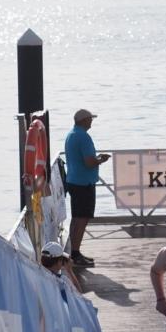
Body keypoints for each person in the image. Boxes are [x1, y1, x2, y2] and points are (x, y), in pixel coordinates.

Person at [63, 109, 110, 268]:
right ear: (83, 120)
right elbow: (89, 162)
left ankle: (72, 252)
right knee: (82, 219)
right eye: (90, 119)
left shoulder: (71, 134)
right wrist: (101, 159)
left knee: (76, 218)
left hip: (74, 180)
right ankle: (75, 254)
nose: (91, 122)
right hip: (83, 183)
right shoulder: (83, 137)